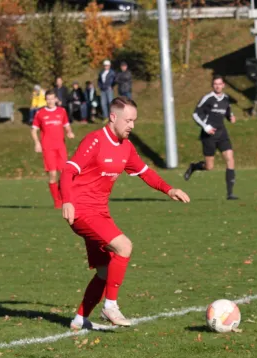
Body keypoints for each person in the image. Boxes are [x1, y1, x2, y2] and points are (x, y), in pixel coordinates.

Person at [59, 96, 190, 330]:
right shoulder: (95, 141)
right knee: (124, 247)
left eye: (134, 121)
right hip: (81, 210)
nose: (132, 126)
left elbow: (145, 172)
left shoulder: (126, 147)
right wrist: (67, 201)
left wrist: (169, 189)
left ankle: (79, 319)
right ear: (113, 117)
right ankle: (110, 306)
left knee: (104, 271)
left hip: (100, 212)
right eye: (128, 120)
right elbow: (68, 170)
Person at [183, 75, 238, 200]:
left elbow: (228, 111)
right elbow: (195, 114)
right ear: (213, 86)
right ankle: (194, 167)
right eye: (215, 84)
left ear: (223, 85)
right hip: (209, 135)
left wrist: (231, 117)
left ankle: (230, 193)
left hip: (222, 134)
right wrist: (205, 127)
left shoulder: (226, 99)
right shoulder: (208, 98)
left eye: (220, 84)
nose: (218, 86)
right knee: (209, 167)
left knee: (230, 158)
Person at [31, 90, 75, 208]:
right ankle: (57, 201)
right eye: (48, 99)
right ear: (46, 100)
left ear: (56, 99)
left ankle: (63, 197)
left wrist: (70, 132)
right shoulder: (40, 113)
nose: (50, 101)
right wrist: (37, 143)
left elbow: (66, 125)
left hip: (60, 147)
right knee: (53, 174)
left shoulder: (62, 111)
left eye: (52, 98)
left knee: (64, 173)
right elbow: (34, 130)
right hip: (48, 147)